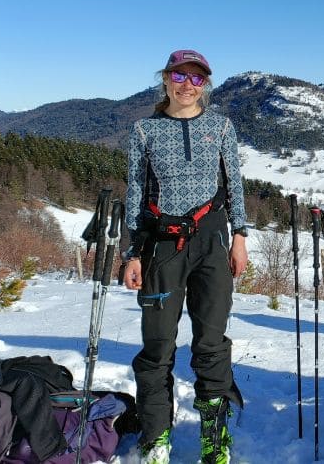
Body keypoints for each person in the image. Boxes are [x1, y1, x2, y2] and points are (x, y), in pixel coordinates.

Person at [121, 49, 249, 464]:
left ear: (205, 86)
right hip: (161, 246)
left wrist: (240, 237)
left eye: (197, 79)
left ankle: (214, 439)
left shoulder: (222, 127)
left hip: (211, 241)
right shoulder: (144, 131)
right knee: (157, 346)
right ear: (165, 79)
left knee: (211, 342)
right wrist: (132, 253)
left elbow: (235, 186)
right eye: (180, 76)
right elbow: (137, 195)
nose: (187, 85)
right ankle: (156, 436)